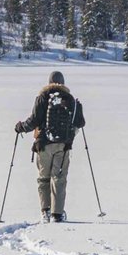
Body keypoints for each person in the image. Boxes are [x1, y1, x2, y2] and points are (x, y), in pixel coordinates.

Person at [14, 70, 85, 222]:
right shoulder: (69, 99)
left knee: (43, 178)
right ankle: (57, 214)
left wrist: (20, 127)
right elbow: (81, 122)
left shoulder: (43, 97)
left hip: (43, 145)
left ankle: (45, 211)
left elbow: (33, 121)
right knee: (58, 178)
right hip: (63, 146)